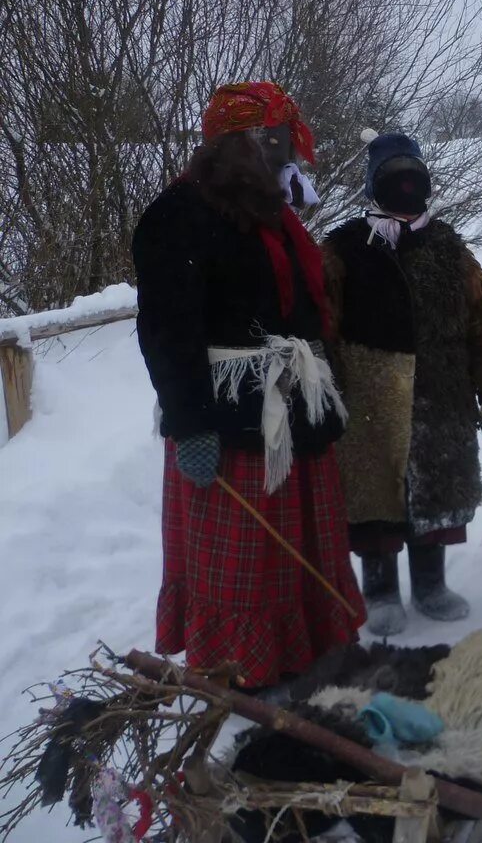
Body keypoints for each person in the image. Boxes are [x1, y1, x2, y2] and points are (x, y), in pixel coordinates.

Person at [132, 81, 364, 690]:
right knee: (243, 559)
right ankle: (245, 668)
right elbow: (165, 329)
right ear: (229, 145)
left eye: (284, 138)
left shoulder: (274, 212)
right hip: (229, 416)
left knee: (304, 539)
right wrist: (189, 425)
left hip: (294, 406)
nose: (282, 151)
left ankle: (306, 648)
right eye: (266, 139)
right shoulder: (179, 215)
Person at [325, 133, 482, 632]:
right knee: (375, 492)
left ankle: (430, 584)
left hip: (440, 391)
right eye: (392, 179)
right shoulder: (345, 247)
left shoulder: (449, 247)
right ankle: (379, 589)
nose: (405, 188)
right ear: (374, 188)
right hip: (369, 394)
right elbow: (324, 322)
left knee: (436, 492)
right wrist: (328, 387)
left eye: (413, 178)